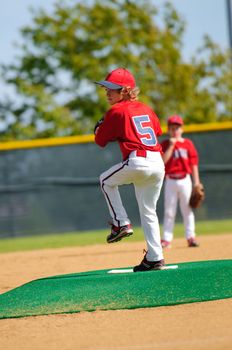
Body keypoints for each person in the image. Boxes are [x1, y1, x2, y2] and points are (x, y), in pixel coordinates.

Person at [94, 67, 165, 272]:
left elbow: (100, 141)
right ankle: (155, 257)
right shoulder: (146, 108)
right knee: (149, 211)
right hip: (158, 164)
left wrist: (100, 128)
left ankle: (121, 224)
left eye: (112, 89)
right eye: (106, 88)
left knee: (106, 181)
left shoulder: (116, 110)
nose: (107, 92)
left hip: (139, 161)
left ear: (125, 90)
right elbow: (156, 131)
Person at [161, 115, 200, 248]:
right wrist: (171, 147)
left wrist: (197, 182)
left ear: (181, 129)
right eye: (172, 128)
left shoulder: (188, 144)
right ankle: (166, 239)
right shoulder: (165, 144)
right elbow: (162, 162)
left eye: (177, 128)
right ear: (168, 130)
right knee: (169, 211)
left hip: (185, 180)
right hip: (170, 180)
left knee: (187, 209)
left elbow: (194, 164)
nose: (175, 130)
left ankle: (190, 237)